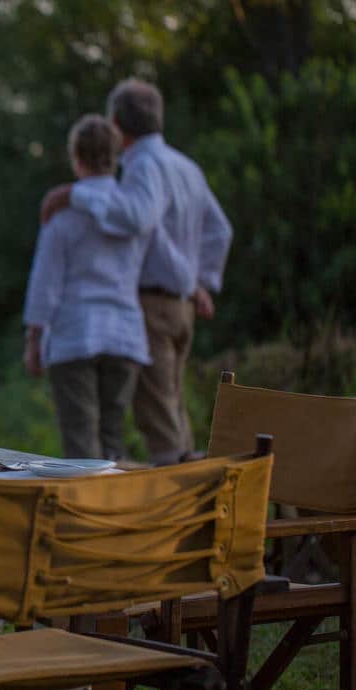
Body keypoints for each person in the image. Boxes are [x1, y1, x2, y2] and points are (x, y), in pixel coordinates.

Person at [40, 78, 233, 466]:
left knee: (160, 423)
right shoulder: (186, 167)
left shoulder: (144, 166)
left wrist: (72, 195)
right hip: (181, 307)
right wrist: (199, 282)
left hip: (151, 306)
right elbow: (219, 229)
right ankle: (192, 506)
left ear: (115, 123)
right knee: (173, 412)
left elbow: (137, 219)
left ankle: (178, 517)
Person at [23, 114, 151, 461]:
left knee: (81, 440)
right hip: (124, 335)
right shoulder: (135, 213)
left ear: (75, 158)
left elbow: (45, 283)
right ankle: (116, 511)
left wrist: (34, 339)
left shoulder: (61, 216)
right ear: (115, 158)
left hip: (74, 334)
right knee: (113, 438)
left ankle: (85, 513)